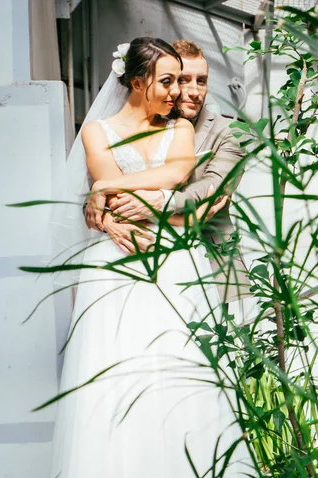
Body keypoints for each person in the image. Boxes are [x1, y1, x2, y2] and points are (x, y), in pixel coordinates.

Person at [40, 37, 265, 478]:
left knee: (182, 392)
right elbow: (97, 178)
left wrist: (109, 187)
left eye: (184, 80)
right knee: (116, 392)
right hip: (114, 269)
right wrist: (102, 206)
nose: (177, 90)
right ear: (138, 79)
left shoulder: (183, 131)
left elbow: (176, 176)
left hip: (177, 264)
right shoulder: (96, 130)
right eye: (167, 79)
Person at [84, 40, 250, 304]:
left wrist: (155, 204)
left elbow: (211, 189)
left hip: (213, 265)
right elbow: (101, 197)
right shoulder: (115, 128)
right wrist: (105, 215)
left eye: (202, 81)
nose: (194, 91)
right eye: (182, 80)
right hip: (132, 249)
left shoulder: (229, 132)